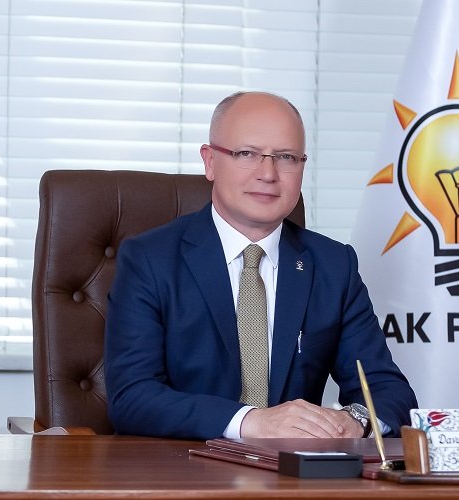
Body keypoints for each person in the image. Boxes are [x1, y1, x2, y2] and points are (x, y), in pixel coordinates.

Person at [105, 91, 417, 440]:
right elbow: (131, 397)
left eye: (286, 157)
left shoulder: (333, 266)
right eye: (247, 154)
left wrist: (355, 419)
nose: (268, 174)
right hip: (183, 466)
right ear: (210, 161)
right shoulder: (149, 259)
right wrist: (250, 422)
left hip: (294, 470)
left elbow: (389, 391)